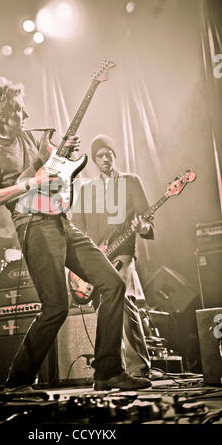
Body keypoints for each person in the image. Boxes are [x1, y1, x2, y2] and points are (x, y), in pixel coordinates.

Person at [0, 77, 151, 392]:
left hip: (61, 220)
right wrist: (29, 181)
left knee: (112, 284)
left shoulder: (31, 138)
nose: (25, 116)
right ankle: (17, 382)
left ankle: (107, 371)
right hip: (32, 225)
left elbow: (55, 172)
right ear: (1, 113)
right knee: (55, 307)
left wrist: (66, 157)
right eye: (17, 111)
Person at [71, 135, 154, 377]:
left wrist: (143, 228)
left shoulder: (131, 181)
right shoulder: (87, 189)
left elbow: (147, 219)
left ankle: (139, 368)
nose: (105, 159)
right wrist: (79, 260)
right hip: (97, 257)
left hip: (124, 253)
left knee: (126, 302)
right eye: (99, 156)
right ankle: (115, 369)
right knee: (104, 309)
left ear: (115, 155)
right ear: (95, 160)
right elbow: (76, 226)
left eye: (109, 154)